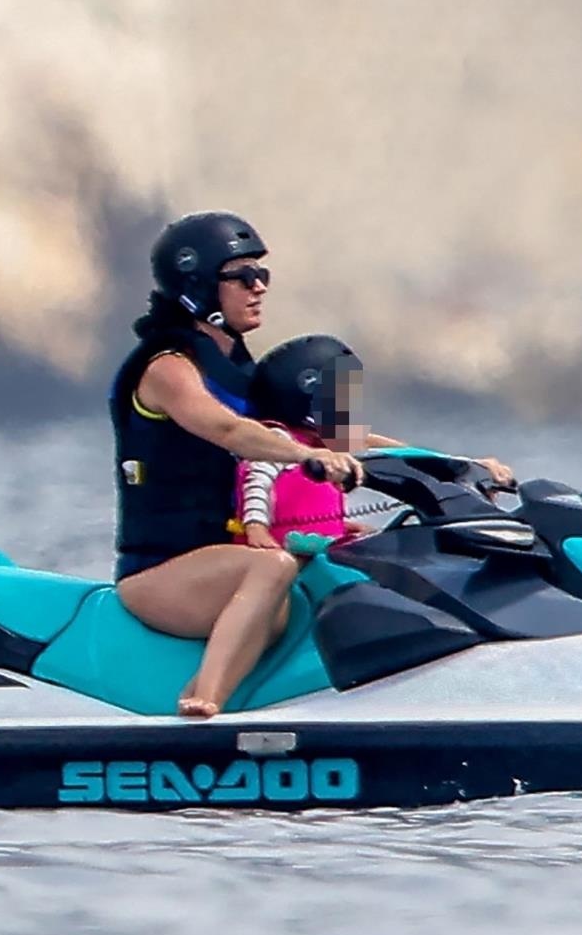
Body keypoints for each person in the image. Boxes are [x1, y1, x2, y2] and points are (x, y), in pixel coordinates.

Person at [111, 210, 515, 718]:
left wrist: (450, 465)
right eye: (243, 277)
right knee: (273, 565)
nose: (259, 288)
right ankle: (203, 699)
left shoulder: (237, 370)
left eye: (263, 275)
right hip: (164, 574)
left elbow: (339, 437)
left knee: (376, 550)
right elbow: (229, 431)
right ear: (198, 285)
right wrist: (307, 456)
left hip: (233, 561)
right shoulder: (167, 368)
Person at [232, 334, 372, 554]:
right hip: (281, 554)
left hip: (315, 551)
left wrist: (340, 528)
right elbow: (257, 483)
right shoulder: (279, 441)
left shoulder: (320, 448)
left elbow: (307, 508)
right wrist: (256, 527)